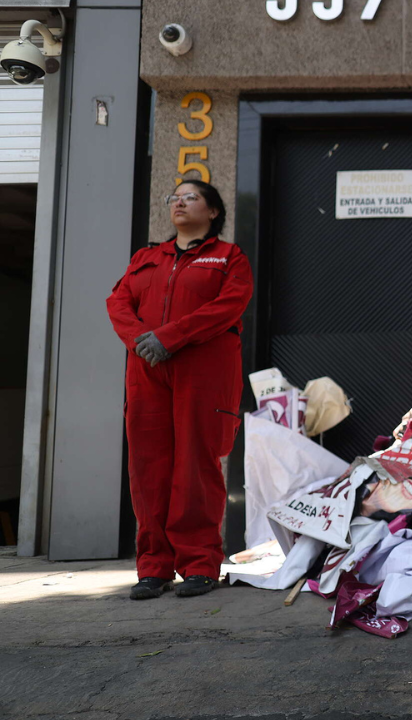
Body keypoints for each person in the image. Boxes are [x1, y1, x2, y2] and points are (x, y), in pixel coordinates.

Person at [106, 180, 254, 599]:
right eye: (175, 198)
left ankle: (199, 565)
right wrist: (140, 339)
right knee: (148, 470)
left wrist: (170, 336)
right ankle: (153, 567)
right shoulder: (147, 257)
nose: (179, 203)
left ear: (212, 212)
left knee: (196, 467)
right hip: (147, 369)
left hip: (202, 369)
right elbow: (118, 302)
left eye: (190, 197)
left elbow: (228, 306)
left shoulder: (229, 257)